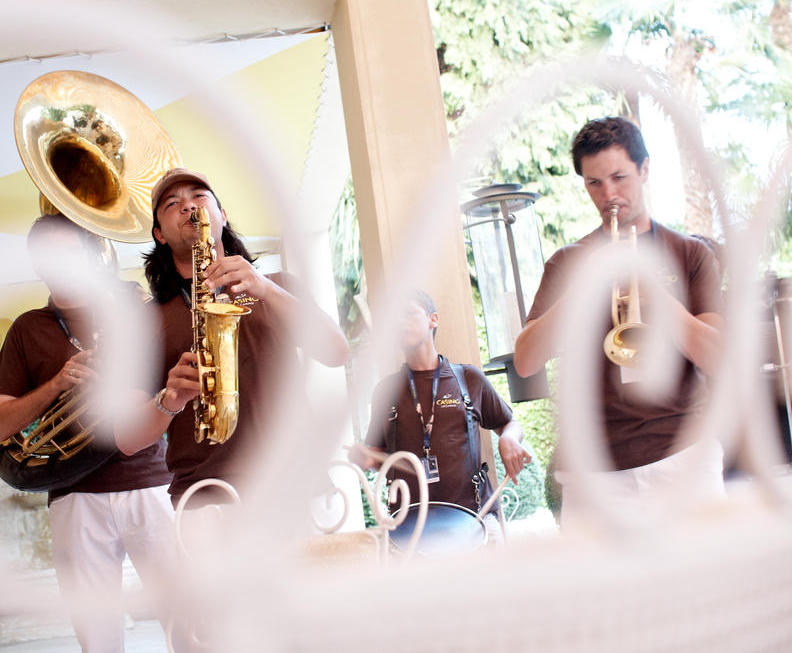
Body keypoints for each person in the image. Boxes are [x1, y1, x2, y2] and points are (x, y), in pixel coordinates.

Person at [513, 116, 725, 528]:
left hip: (685, 458)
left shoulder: (689, 253)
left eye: (619, 177)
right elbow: (525, 361)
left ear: (644, 170)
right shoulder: (568, 262)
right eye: (594, 183)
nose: (608, 194)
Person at [0, 214, 174, 652]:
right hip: (73, 492)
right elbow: (0, 425)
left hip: (149, 480)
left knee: (186, 615)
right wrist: (57, 383)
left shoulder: (133, 308)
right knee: (97, 637)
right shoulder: (26, 328)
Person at [114, 168, 349, 505]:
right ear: (159, 234)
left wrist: (265, 288)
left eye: (198, 196)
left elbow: (337, 352)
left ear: (222, 216)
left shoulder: (278, 284)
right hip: (208, 497)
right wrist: (169, 401)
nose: (188, 206)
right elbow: (126, 439)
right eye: (172, 204)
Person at [351, 290, 531, 544]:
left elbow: (508, 424)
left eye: (409, 313)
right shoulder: (385, 391)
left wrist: (509, 439)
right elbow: (378, 453)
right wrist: (367, 458)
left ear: (433, 319)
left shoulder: (468, 378)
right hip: (412, 531)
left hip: (476, 519)